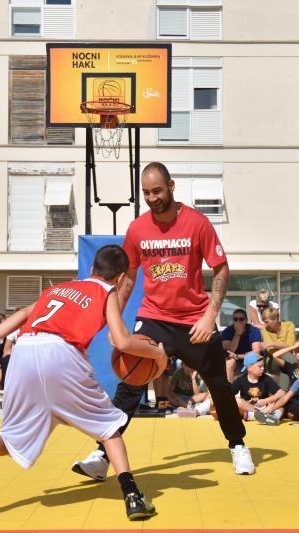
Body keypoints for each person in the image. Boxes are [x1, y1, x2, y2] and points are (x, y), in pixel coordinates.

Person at [0, 244, 166, 521]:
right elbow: (121, 341)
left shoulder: (58, 289)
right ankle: (133, 497)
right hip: (60, 353)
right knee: (110, 429)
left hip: (24, 351)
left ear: (92, 269)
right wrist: (157, 355)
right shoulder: (106, 290)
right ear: (120, 279)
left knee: (11, 441)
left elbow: (24, 313)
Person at [73, 162, 254, 479]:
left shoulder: (197, 224)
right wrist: (111, 317)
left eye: (157, 191)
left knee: (218, 385)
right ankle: (102, 455)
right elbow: (128, 278)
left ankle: (237, 444)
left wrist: (210, 315)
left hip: (194, 319)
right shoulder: (138, 229)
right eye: (146, 193)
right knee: (129, 382)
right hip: (154, 318)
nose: (152, 198)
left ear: (171, 186)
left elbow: (221, 269)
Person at [232, 352, 286, 425]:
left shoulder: (266, 378)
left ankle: (271, 418)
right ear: (249, 368)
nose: (263, 368)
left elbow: (282, 393)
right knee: (237, 401)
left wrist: (266, 400)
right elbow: (229, 394)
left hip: (265, 408)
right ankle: (263, 416)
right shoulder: (241, 380)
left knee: (281, 404)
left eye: (263, 366)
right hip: (249, 408)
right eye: (259, 366)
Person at [221, 308, 262, 382]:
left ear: (246, 320)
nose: (238, 321)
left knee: (255, 361)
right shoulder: (227, 331)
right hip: (235, 360)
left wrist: (237, 356)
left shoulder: (253, 330)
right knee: (229, 363)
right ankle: (229, 391)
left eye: (241, 319)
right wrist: (237, 334)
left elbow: (256, 352)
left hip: (249, 359)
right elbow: (229, 351)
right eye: (236, 319)